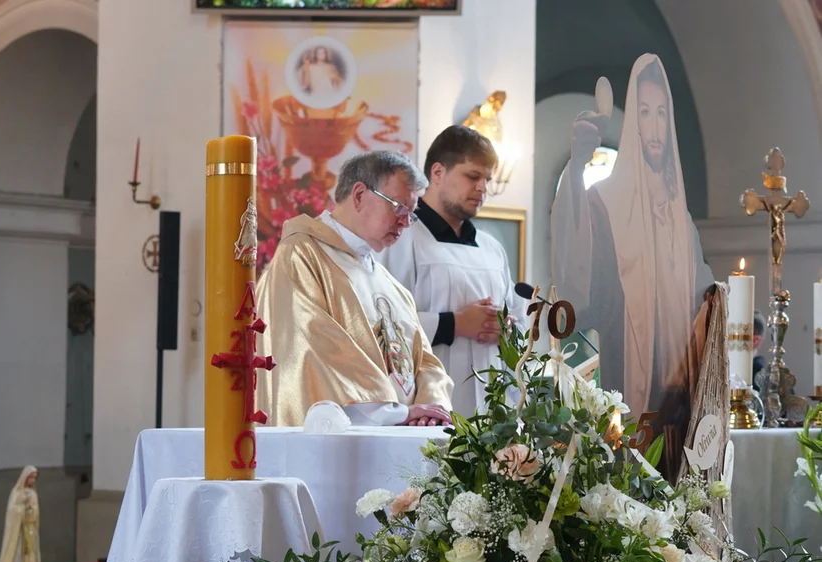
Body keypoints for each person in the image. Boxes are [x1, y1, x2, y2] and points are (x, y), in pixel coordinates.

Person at [551, 54, 715, 428]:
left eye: (661, 113)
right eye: (644, 112)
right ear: (632, 124)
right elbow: (579, 279)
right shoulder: (603, 204)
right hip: (626, 382)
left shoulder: (682, 220)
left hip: (681, 394)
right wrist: (575, 169)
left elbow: (703, 302)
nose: (654, 127)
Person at [255, 150, 454, 427]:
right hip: (335, 440)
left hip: (403, 440)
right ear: (359, 195)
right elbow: (315, 347)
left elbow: (426, 363)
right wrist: (397, 413)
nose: (405, 223)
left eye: (411, 215)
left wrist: (431, 408)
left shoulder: (393, 287)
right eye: (398, 208)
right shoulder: (300, 255)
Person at [377, 125, 525, 417]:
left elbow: (517, 320)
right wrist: (454, 324)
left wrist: (505, 327)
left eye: (487, 179)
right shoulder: (400, 239)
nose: (482, 187)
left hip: (492, 409)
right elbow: (380, 325)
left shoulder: (492, 249)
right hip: (426, 407)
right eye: (473, 176)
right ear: (438, 173)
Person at [0, 465, 41, 562]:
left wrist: (31, 509)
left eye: (34, 478)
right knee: (18, 554)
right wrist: (22, 507)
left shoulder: (33, 493)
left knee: (30, 553)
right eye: (31, 477)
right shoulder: (16, 492)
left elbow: (36, 512)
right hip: (18, 532)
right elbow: (11, 511)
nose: (32, 480)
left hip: (29, 529)